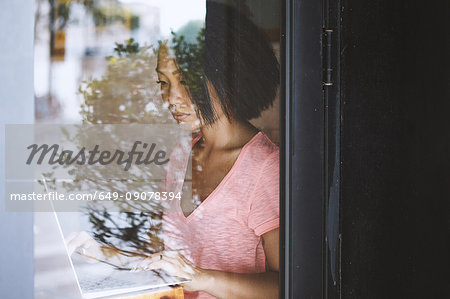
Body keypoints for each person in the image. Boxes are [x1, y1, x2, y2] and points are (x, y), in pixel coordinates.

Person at [69, 2, 280, 298]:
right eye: (163, 82)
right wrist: (102, 253)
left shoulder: (266, 169)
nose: (172, 97)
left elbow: (290, 286)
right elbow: (166, 264)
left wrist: (203, 279)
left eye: (186, 80)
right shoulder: (181, 156)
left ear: (226, 75)